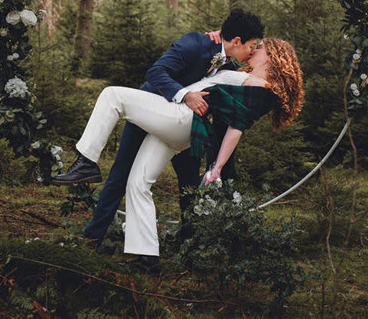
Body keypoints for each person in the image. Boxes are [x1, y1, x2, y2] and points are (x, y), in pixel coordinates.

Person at [61, 38, 304, 273]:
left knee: (112, 95)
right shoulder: (246, 76)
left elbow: (236, 126)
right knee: (138, 182)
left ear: (272, 57)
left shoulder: (261, 87)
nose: (254, 50)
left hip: (182, 117)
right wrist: (217, 39)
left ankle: (86, 162)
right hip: (180, 126)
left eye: (259, 48)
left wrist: (217, 167)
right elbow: (224, 56)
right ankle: (147, 258)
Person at [52, 9, 265, 247]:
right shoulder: (195, 43)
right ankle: (92, 238)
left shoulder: (230, 68)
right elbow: (155, 73)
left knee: (189, 185)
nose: (252, 52)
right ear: (236, 41)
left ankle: (191, 246)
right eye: (251, 45)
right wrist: (186, 96)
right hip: (149, 112)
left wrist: (222, 168)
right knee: (120, 176)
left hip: (184, 127)